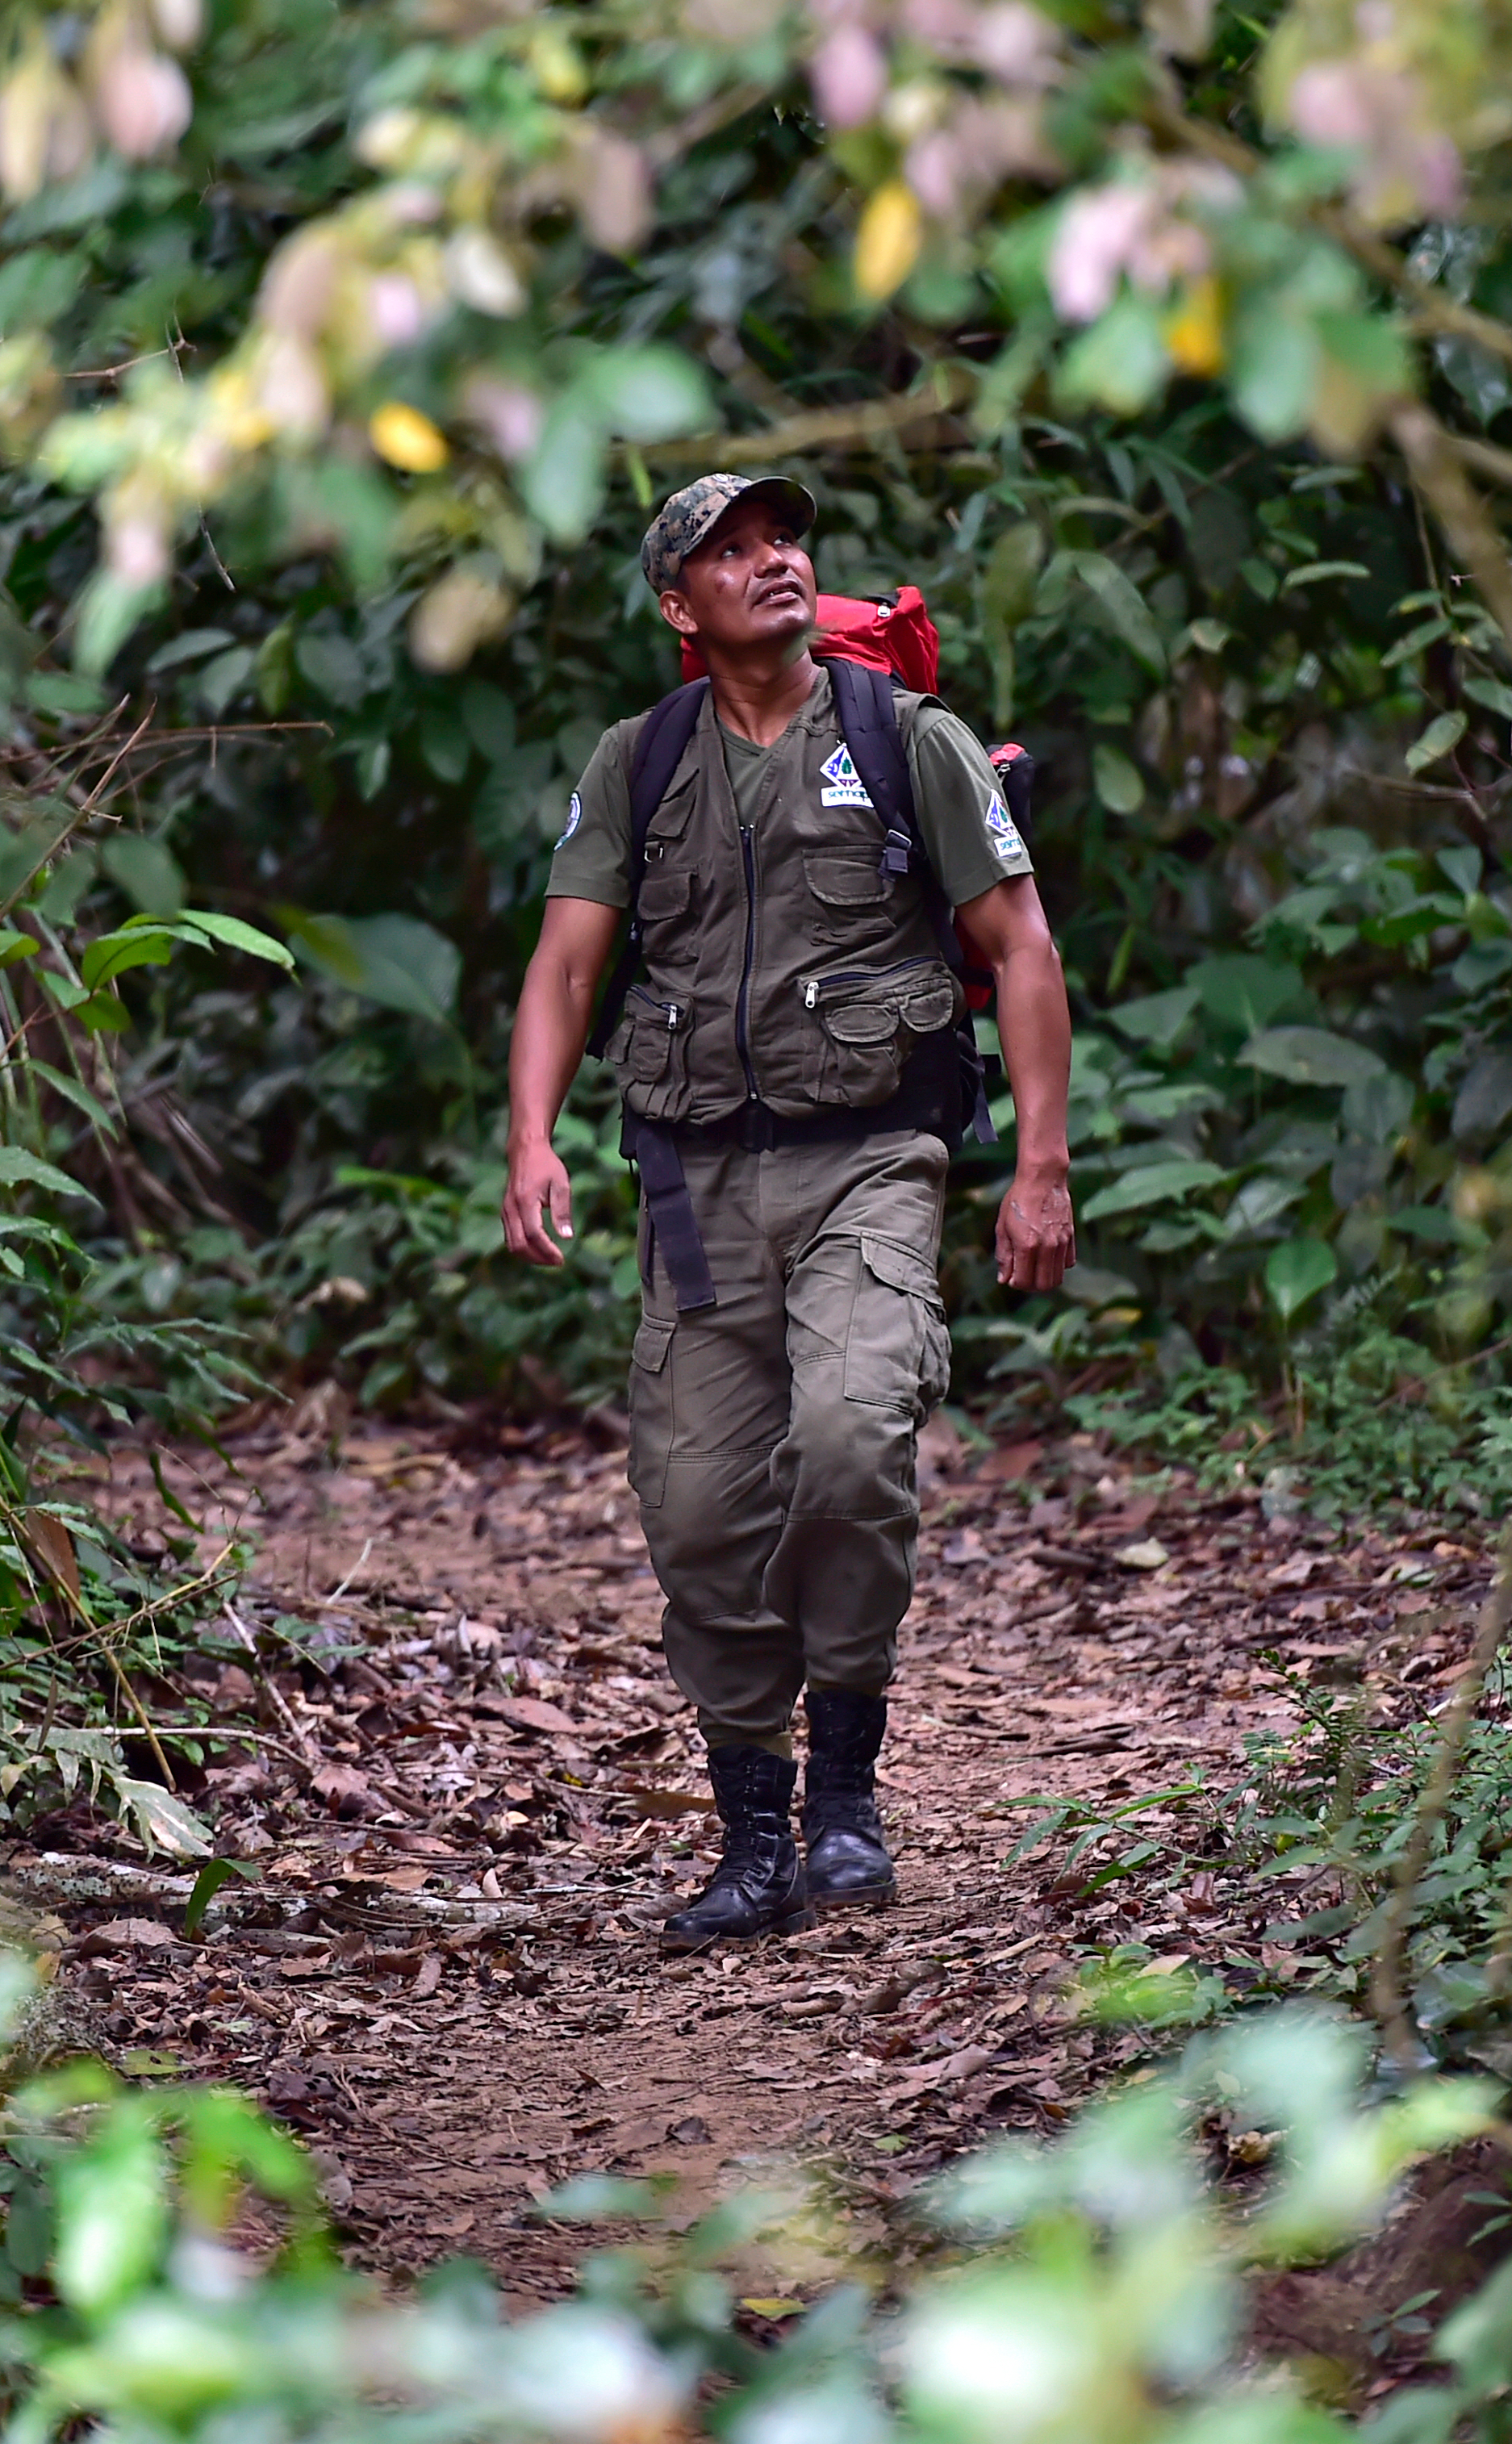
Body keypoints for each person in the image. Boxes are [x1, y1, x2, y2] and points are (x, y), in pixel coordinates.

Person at [500, 472, 1076, 1945]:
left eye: (781, 541)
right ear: (679, 604)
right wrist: (533, 1138)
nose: (773, 562)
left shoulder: (905, 740)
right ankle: (750, 1825)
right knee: (696, 1505)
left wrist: (1040, 1168)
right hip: (694, 1181)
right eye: (730, 552)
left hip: (871, 1158)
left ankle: (844, 1795)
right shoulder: (643, 762)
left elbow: (1018, 949)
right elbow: (569, 966)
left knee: (850, 1438)